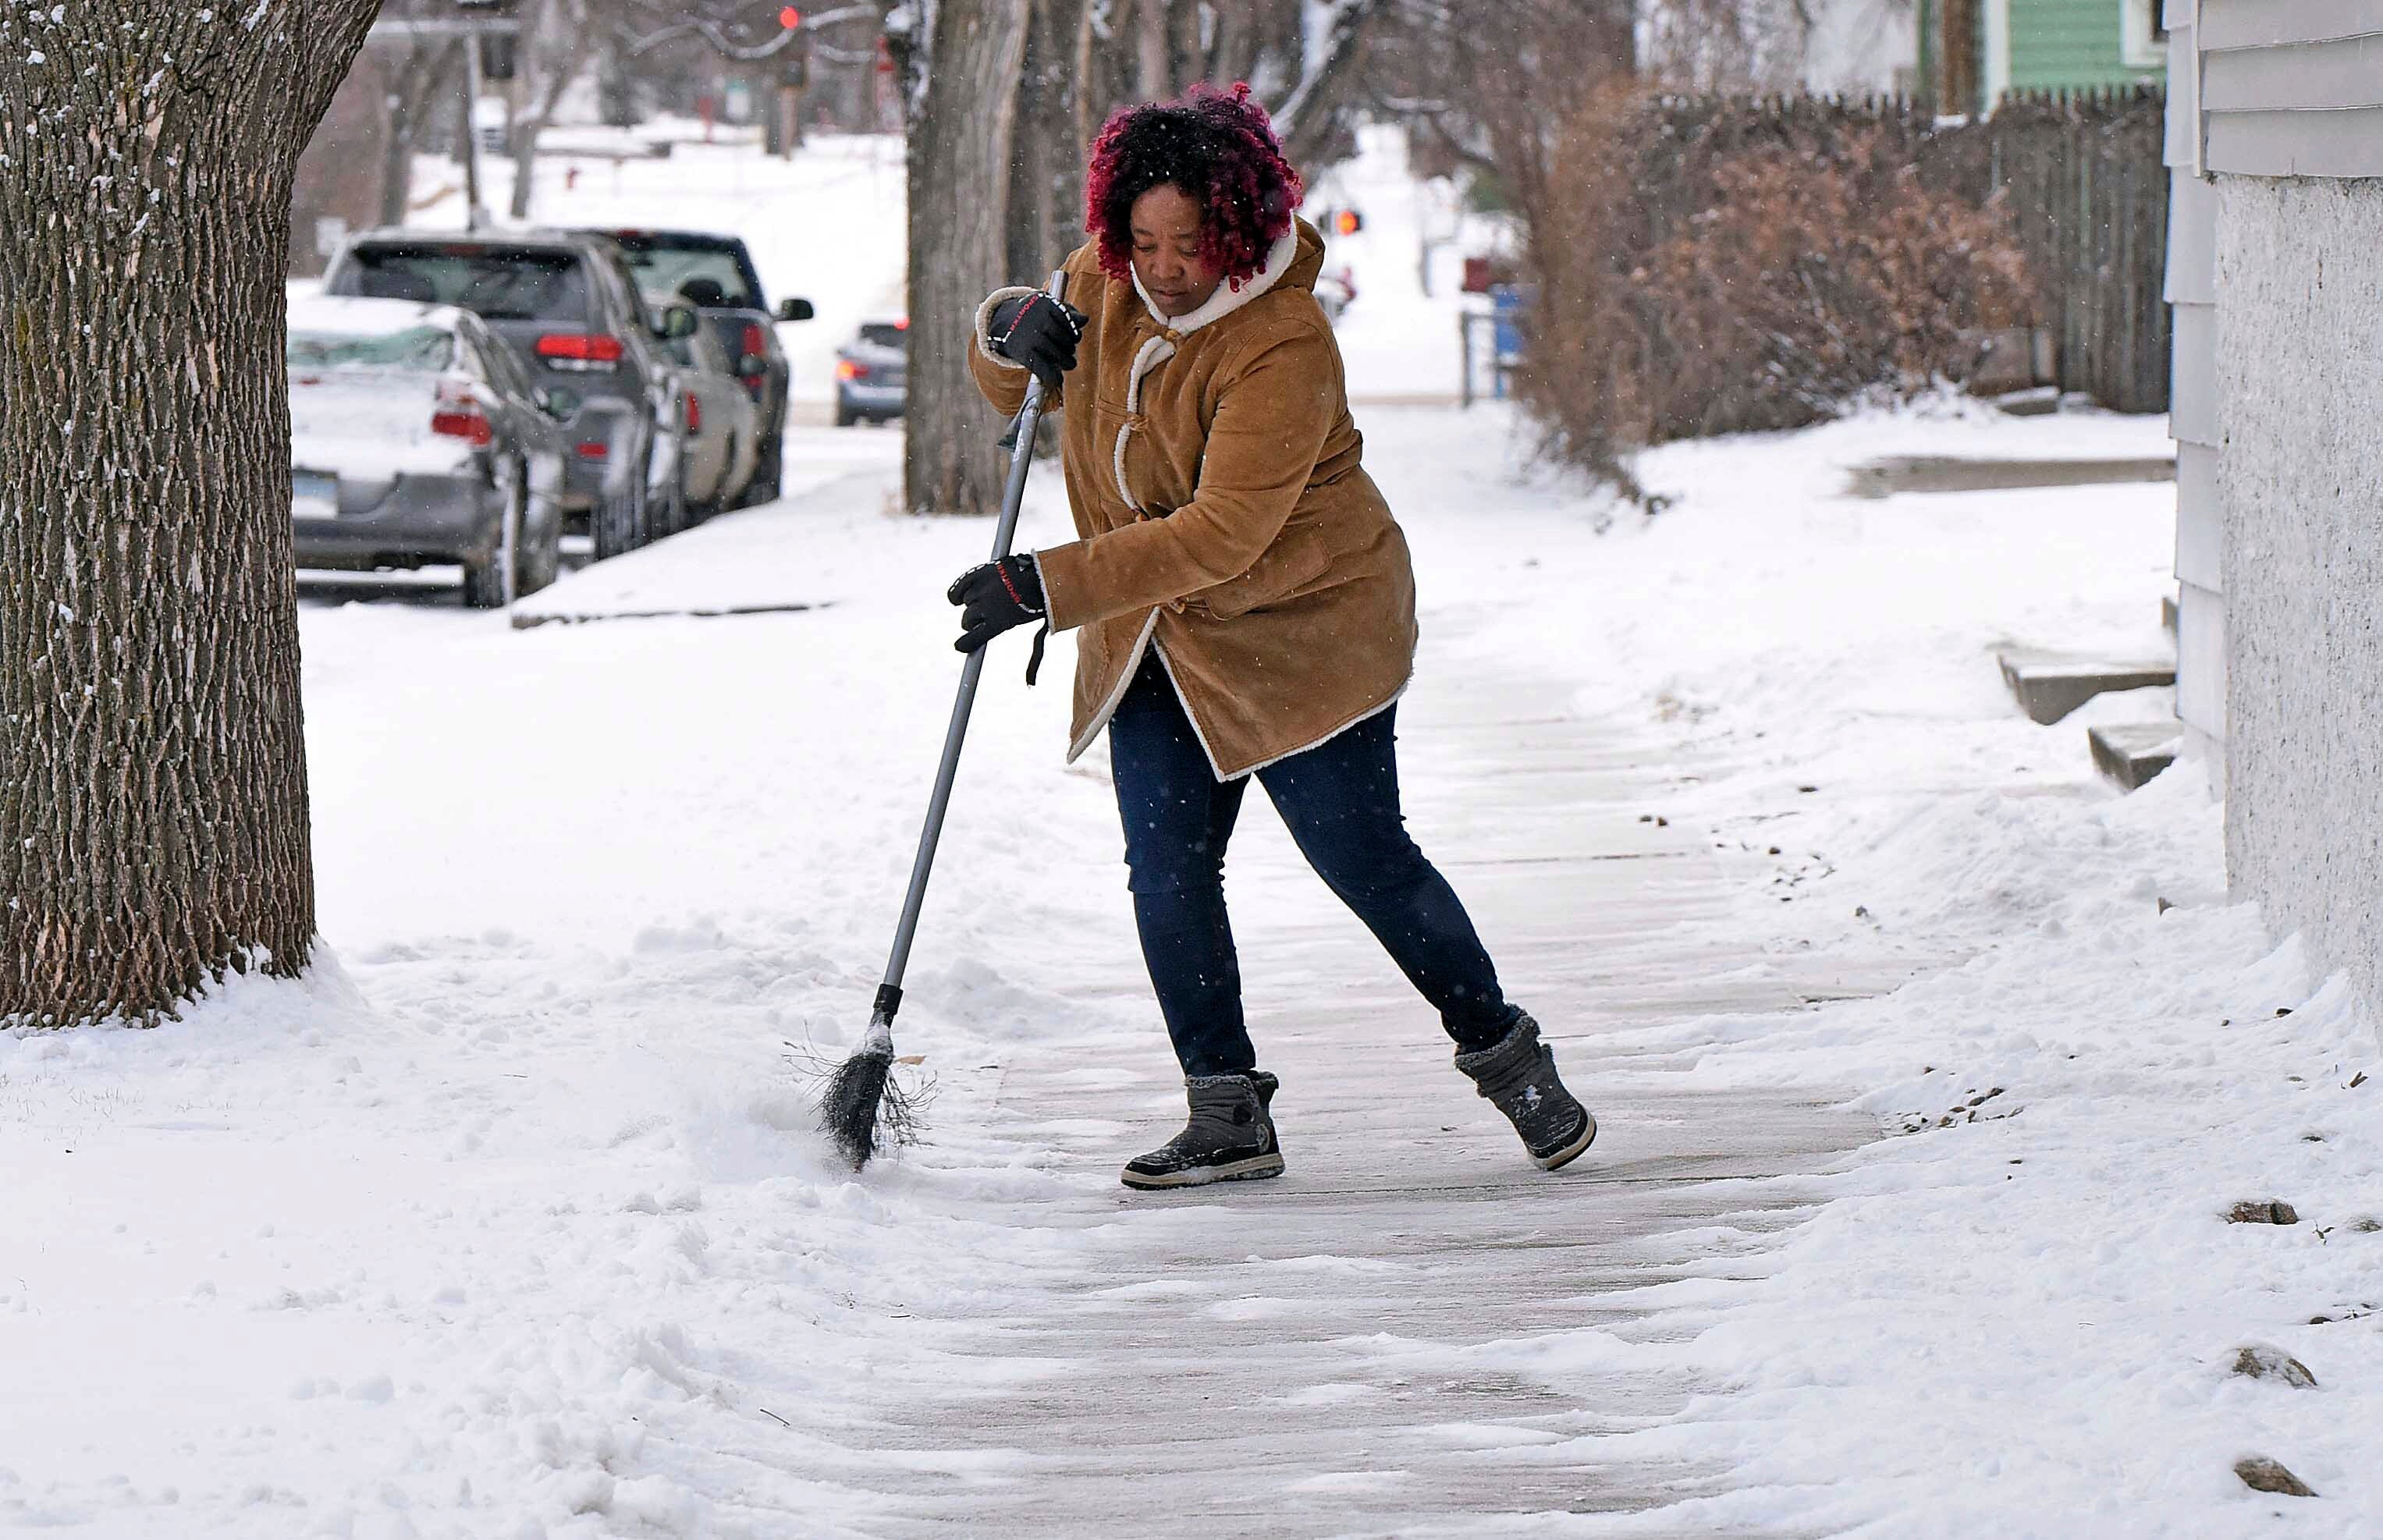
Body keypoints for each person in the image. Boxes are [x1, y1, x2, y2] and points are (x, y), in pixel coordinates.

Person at [947, 83, 1595, 1190]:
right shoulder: (1099, 279)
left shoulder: (1282, 340)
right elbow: (1016, 389)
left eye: (1190, 245)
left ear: (1238, 230)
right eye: (1142, 242)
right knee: (1166, 870)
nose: (1160, 268)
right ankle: (1225, 1110)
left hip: (1300, 635)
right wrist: (1008, 330)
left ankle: (1506, 1055)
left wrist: (1046, 584)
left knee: (1362, 860)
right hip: (1154, 637)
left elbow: (1223, 532)